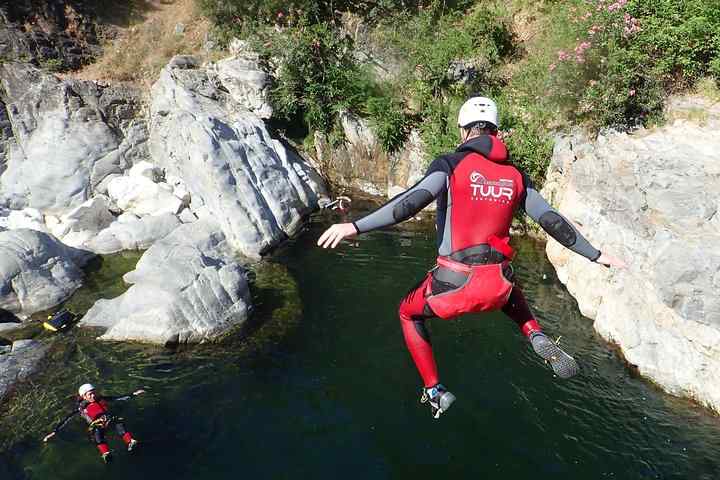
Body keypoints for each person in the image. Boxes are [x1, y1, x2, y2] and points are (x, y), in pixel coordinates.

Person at [317, 96, 626, 419]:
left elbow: (409, 203)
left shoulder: (450, 165)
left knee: (408, 313)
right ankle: (534, 332)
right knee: (505, 281)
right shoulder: (517, 177)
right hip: (498, 285)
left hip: (453, 282)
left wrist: (354, 226)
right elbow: (550, 219)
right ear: (496, 131)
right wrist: (597, 255)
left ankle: (434, 389)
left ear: (464, 130)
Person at [43, 383, 146, 462]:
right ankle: (106, 453)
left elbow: (117, 398)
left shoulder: (101, 399)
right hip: (97, 424)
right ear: (84, 396)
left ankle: (130, 441)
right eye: (90, 394)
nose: (93, 396)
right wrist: (54, 432)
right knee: (97, 434)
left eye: (94, 393)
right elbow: (67, 419)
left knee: (119, 423)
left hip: (109, 419)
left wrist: (134, 394)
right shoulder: (82, 408)